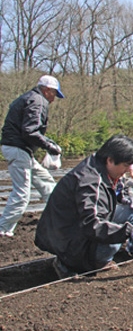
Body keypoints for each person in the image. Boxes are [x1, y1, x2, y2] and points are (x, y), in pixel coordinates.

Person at [35, 135, 133, 278]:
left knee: (132, 212)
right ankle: (70, 263)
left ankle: (98, 256)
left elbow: (107, 195)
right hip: (66, 237)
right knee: (113, 242)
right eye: (125, 165)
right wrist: (128, 232)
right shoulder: (89, 181)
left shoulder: (100, 165)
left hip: (73, 228)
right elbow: (91, 224)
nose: (129, 169)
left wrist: (122, 198)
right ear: (110, 160)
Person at [0, 75, 64, 237]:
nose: (54, 99)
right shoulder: (37, 101)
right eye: (54, 94)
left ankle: (61, 216)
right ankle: (3, 229)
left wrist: (50, 143)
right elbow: (30, 131)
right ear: (46, 90)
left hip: (21, 149)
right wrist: (49, 147)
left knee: (46, 181)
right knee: (22, 193)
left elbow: (30, 130)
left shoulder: (28, 98)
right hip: (18, 149)